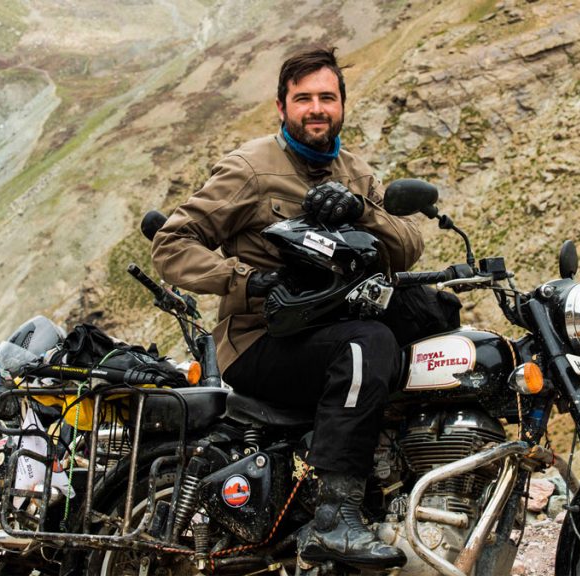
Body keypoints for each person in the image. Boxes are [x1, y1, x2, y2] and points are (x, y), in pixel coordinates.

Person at [152, 47, 423, 568]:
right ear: (282, 107)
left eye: (327, 97)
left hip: (327, 332)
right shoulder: (250, 169)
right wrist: (250, 282)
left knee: (432, 313)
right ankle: (334, 518)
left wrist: (362, 210)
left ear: (342, 104)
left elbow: (408, 247)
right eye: (304, 99)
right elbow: (172, 243)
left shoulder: (355, 172)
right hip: (260, 341)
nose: (316, 109)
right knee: (371, 344)